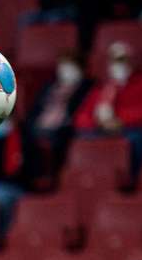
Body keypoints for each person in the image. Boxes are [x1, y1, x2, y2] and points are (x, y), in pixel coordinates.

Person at [72, 41, 142, 175]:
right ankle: (92, 178)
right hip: (103, 129)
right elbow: (81, 117)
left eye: (123, 60)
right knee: (82, 137)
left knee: (136, 138)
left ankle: (133, 179)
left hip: (134, 128)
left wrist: (120, 119)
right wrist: (98, 122)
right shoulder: (101, 88)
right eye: (115, 61)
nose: (119, 65)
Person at [22, 51, 91, 179]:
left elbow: (80, 111)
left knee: (58, 138)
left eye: (70, 66)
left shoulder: (86, 87)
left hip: (64, 127)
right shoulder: (49, 87)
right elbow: (35, 109)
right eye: (62, 66)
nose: (65, 70)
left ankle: (52, 178)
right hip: (40, 125)